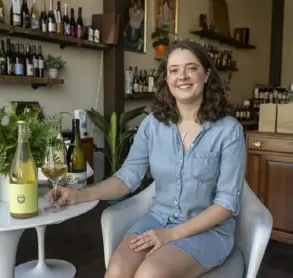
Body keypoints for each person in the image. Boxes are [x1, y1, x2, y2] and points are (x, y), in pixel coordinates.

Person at [47, 40, 246, 278]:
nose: (182, 76)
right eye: (174, 70)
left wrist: (171, 235)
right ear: (167, 80)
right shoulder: (153, 125)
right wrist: (79, 194)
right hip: (158, 220)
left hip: (207, 231)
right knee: (117, 270)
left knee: (150, 273)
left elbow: (226, 205)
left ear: (206, 75)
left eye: (191, 68)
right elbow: (128, 177)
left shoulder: (229, 130)